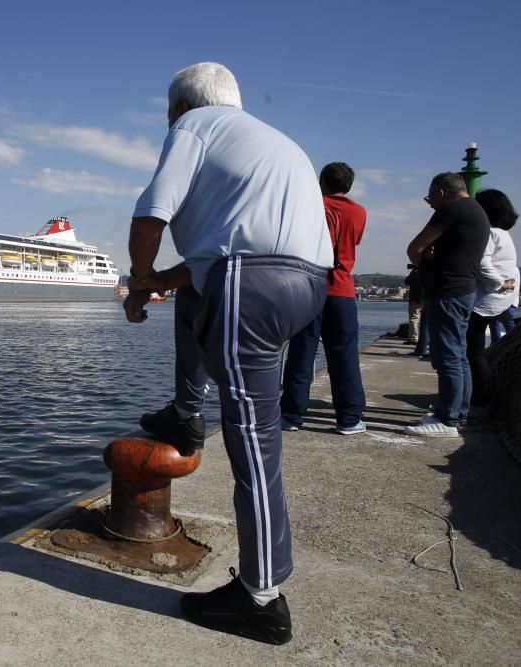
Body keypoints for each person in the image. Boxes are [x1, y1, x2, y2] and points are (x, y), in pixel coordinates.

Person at [124, 61, 332, 645]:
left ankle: (261, 597)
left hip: (251, 281)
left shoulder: (194, 126)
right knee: (194, 294)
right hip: (304, 284)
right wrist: (163, 281)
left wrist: (139, 283)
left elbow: (149, 216)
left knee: (253, 438)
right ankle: (187, 410)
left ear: (180, 107)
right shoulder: (273, 142)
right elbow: (208, 259)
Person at [280, 162, 367, 434]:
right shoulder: (359, 212)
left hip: (309, 287)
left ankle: (292, 416)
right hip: (342, 290)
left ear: (321, 182)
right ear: (349, 185)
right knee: (344, 355)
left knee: (301, 352)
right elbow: (355, 241)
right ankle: (349, 419)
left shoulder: (311, 205)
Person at [404, 173, 490, 437]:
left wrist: (423, 258)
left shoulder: (452, 209)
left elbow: (414, 247)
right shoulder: (476, 210)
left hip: (446, 291)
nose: (430, 203)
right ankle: (457, 411)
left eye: (430, 197)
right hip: (464, 289)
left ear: (442, 192)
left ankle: (447, 419)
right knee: (459, 354)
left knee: (447, 356)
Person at [465, 189, 518, 421]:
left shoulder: (488, 233)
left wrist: (497, 284)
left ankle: (479, 398)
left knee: (473, 351)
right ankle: (480, 396)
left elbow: (483, 262)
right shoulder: (504, 234)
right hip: (499, 299)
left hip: (485, 298)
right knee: (476, 351)